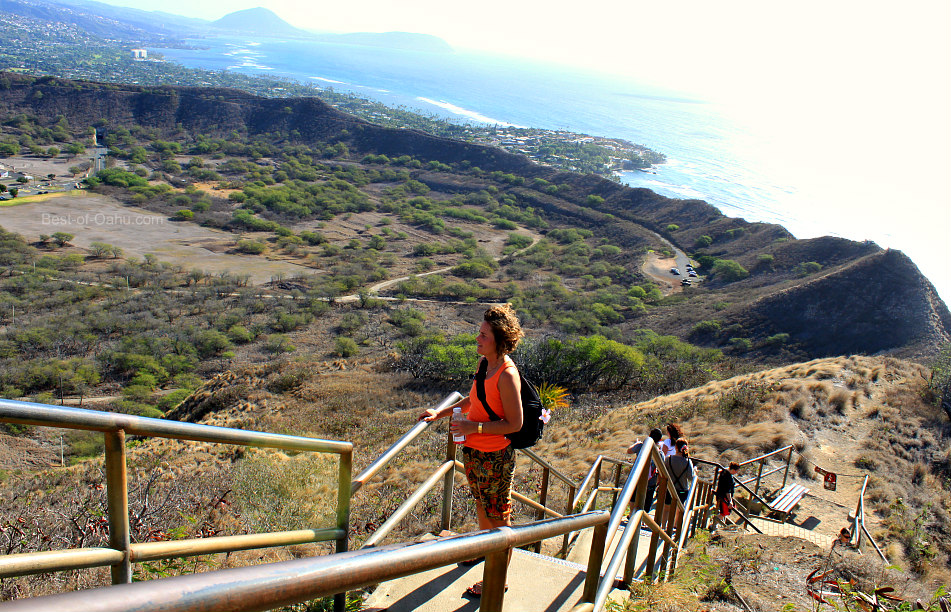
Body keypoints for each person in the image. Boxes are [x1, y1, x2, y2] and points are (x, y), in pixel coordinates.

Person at [419, 304, 525, 598]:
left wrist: (473, 429)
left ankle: (497, 578)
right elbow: (473, 401)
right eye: (478, 332)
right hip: (474, 452)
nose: (477, 338)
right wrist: (438, 413)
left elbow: (514, 424)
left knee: (499, 517)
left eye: (483, 335)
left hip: (495, 456)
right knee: (481, 505)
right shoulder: (484, 366)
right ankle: (482, 550)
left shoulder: (506, 374)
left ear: (500, 339)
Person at [627, 428, 663, 512]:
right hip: (651, 480)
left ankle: (631, 514)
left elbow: (629, 451)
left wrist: (636, 443)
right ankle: (642, 519)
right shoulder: (660, 453)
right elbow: (662, 469)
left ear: (649, 435)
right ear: (660, 440)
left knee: (633, 497)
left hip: (637, 476)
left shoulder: (640, 446)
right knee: (647, 500)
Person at [665, 438, 694, 528]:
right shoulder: (688, 461)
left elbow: (664, 473)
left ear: (676, 447)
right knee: (679, 509)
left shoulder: (668, 459)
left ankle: (662, 526)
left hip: (670, 488)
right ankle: (674, 526)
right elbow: (690, 477)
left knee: (667, 508)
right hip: (682, 490)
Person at [714, 461, 740, 528]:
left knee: (726, 511)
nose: (737, 472)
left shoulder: (724, 472)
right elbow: (727, 491)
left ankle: (717, 523)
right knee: (724, 512)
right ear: (733, 470)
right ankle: (714, 524)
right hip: (724, 497)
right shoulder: (728, 477)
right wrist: (730, 500)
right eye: (736, 470)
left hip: (721, 494)